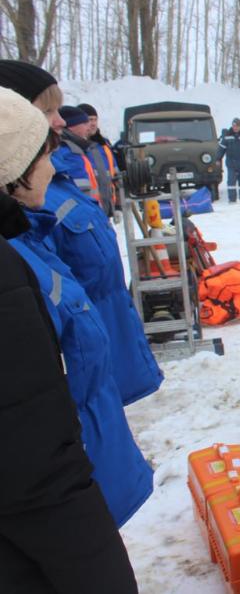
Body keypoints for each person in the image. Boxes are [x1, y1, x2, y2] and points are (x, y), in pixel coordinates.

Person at [0, 95, 137, 593]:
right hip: (48, 496)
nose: (51, 164)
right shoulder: (10, 268)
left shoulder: (19, 236)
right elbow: (24, 416)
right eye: (42, 154)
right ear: (11, 167)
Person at [0, 61, 163, 406]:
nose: (60, 120)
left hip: (103, 354)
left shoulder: (52, 181)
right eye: (48, 111)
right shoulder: (27, 204)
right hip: (79, 378)